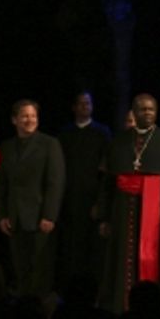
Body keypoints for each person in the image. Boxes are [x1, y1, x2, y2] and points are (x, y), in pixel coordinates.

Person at [97, 93, 160, 315]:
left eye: (151, 109)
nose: (148, 113)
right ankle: (121, 306)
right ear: (133, 112)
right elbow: (107, 184)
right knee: (121, 261)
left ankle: (154, 310)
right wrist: (103, 217)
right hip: (122, 212)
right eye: (142, 109)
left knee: (155, 261)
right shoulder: (118, 142)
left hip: (156, 214)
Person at [0, 100, 65, 300]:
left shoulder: (50, 144)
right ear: (14, 120)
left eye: (33, 116)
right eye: (25, 116)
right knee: (20, 269)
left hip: (40, 219)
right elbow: (1, 184)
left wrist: (49, 215)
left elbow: (55, 183)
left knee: (41, 271)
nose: (30, 120)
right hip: (14, 219)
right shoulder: (6, 146)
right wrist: (1, 215)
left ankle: (40, 313)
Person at [56, 91, 111, 289]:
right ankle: (71, 290)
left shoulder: (102, 133)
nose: (84, 107)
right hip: (70, 201)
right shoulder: (64, 134)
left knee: (93, 249)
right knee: (71, 247)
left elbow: (106, 172)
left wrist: (100, 203)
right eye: (80, 104)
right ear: (74, 107)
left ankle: (94, 290)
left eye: (87, 103)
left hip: (93, 200)